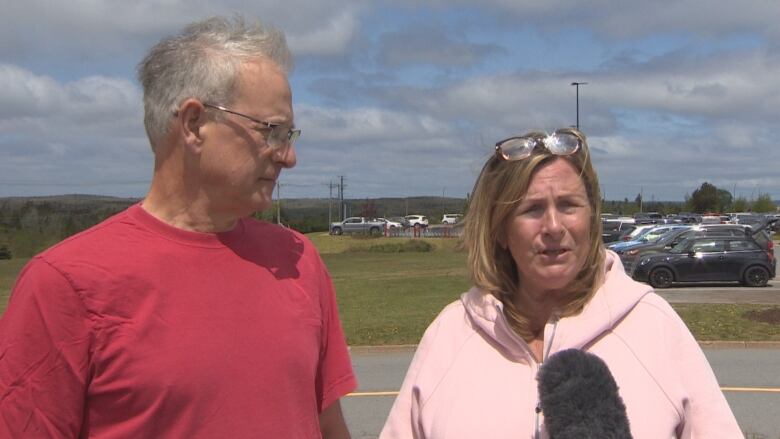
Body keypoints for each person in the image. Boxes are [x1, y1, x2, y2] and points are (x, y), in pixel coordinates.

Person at [0, 16, 356, 438]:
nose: (288, 156)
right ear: (193, 124)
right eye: (273, 131)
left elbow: (328, 426)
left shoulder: (298, 261)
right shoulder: (64, 284)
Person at [380, 128, 742, 438]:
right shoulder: (450, 333)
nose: (554, 227)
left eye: (568, 205)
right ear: (501, 230)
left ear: (592, 218)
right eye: (532, 209)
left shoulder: (654, 324)